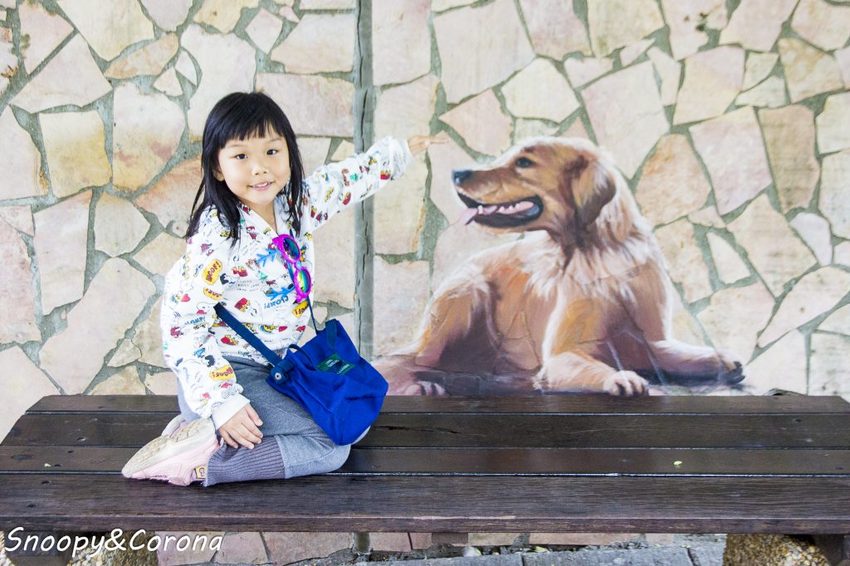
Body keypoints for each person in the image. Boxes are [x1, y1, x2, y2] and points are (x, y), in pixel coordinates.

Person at [121, 91, 441, 487]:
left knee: (354, 425)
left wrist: (398, 153)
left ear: (288, 153)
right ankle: (203, 462)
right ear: (218, 168)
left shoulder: (295, 206)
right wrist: (222, 403)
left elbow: (343, 182)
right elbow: (182, 323)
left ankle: (192, 435)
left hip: (275, 366)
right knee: (331, 446)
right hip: (226, 374)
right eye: (241, 156)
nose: (260, 169)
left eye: (272, 151)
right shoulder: (218, 236)